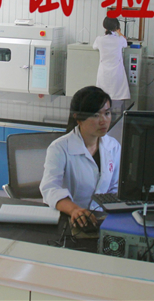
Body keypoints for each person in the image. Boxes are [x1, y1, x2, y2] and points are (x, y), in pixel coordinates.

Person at [39, 86, 120, 228]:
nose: (103, 120)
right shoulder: (60, 148)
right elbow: (50, 188)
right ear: (78, 118)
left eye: (107, 113)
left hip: (102, 220)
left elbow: (115, 187)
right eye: (95, 115)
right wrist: (74, 209)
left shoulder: (113, 146)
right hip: (69, 219)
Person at [93, 17, 130, 100]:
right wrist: (119, 32)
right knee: (118, 97)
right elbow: (125, 42)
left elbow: (94, 47)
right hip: (117, 72)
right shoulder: (120, 40)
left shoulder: (99, 39)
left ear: (104, 26)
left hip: (104, 72)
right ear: (116, 27)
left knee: (102, 97)